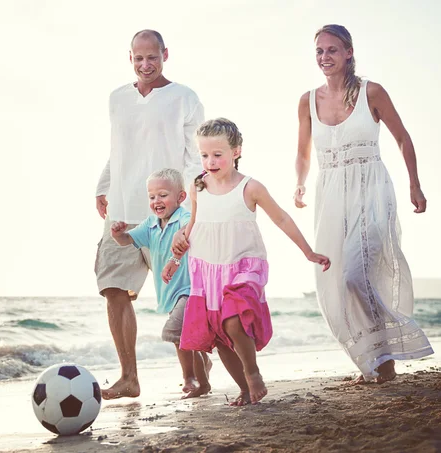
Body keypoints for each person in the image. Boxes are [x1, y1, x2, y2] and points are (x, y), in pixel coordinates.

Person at [293, 24, 433, 384]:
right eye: (320, 51)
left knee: (358, 273)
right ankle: (372, 359)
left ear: (349, 52)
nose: (325, 57)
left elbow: (403, 138)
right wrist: (299, 184)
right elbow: (303, 152)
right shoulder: (307, 101)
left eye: (332, 50)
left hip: (371, 189)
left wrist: (414, 184)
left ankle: (384, 359)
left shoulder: (372, 92)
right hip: (330, 196)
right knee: (336, 281)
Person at [163, 118, 330, 405]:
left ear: (236, 151)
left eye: (218, 154)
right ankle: (244, 388)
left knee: (232, 320)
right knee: (219, 336)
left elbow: (281, 218)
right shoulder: (198, 186)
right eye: (204, 155)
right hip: (207, 269)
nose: (210, 161)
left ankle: (253, 373)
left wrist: (308, 252)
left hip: (243, 265)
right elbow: (193, 224)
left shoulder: (250, 187)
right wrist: (175, 257)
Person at [94, 29, 204, 399]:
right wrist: (104, 185)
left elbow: (195, 156)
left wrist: (187, 208)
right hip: (123, 211)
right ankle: (129, 378)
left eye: (152, 57)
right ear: (130, 58)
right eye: (138, 58)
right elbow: (118, 148)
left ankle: (194, 375)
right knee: (113, 288)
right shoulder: (118, 99)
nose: (145, 64)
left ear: (165, 55)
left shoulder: (184, 98)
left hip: (166, 214)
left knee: (180, 297)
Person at [110, 168, 211, 399]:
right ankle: (202, 370)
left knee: (175, 332)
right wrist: (118, 234)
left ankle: (190, 378)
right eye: (152, 196)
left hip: (190, 289)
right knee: (185, 337)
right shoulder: (151, 224)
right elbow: (128, 240)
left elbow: (194, 225)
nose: (157, 201)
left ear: (181, 197)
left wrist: (182, 233)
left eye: (163, 195)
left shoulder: (183, 217)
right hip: (170, 293)